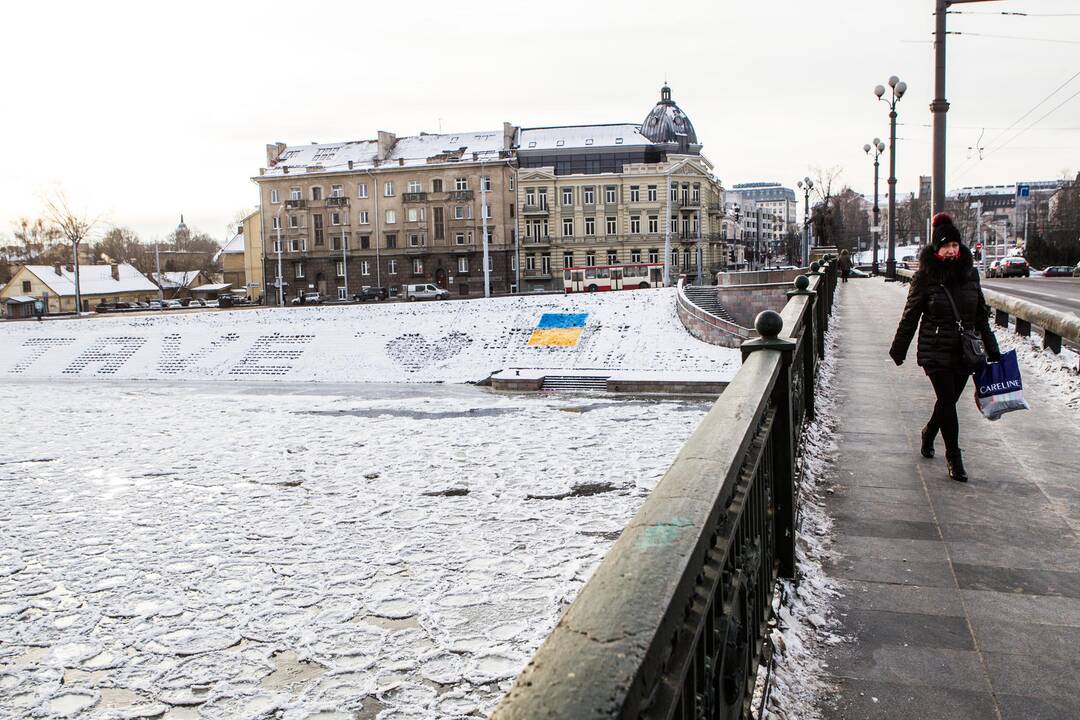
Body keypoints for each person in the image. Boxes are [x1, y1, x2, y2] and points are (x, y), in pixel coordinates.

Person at [889, 213, 1000, 482]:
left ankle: (929, 432)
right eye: (946, 246)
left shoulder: (970, 274)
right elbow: (911, 313)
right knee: (948, 400)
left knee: (947, 401)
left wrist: (992, 349)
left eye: (955, 245)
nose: (952, 250)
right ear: (936, 248)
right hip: (935, 348)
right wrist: (899, 348)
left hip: (964, 350)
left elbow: (980, 314)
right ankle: (954, 457)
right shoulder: (925, 277)